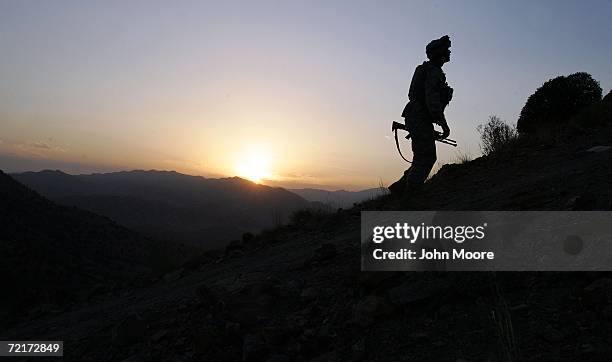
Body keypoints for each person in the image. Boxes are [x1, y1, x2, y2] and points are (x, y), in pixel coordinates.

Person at [389, 35, 453, 200]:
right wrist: (443, 124)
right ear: (439, 53)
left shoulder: (425, 69)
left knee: (421, 156)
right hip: (420, 117)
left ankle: (400, 188)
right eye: (446, 50)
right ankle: (412, 196)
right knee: (427, 157)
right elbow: (432, 100)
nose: (449, 52)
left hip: (416, 116)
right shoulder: (433, 71)